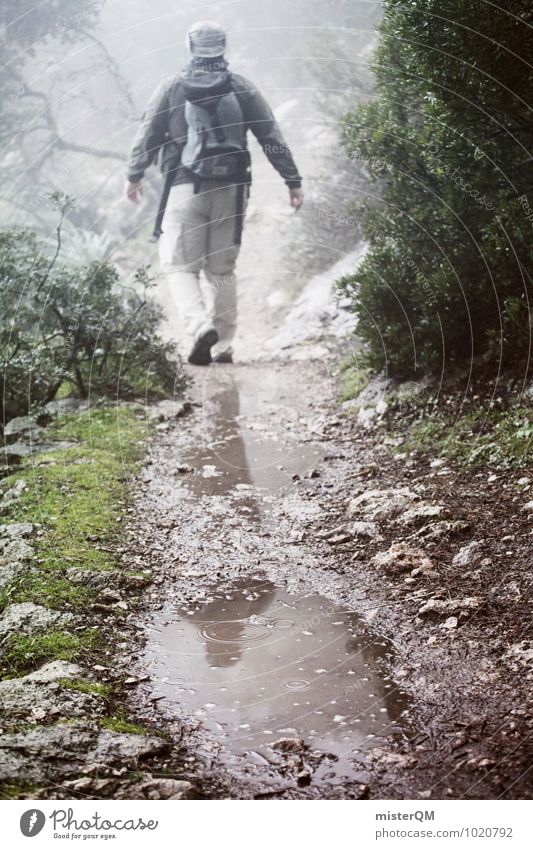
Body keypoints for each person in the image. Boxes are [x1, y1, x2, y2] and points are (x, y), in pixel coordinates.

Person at [126, 21, 304, 365]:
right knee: (222, 269)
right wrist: (292, 180)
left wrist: (134, 175)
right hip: (233, 190)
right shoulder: (241, 86)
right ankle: (223, 346)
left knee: (179, 266)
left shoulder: (172, 87)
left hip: (183, 188)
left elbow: (147, 134)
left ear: (190, 47)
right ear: (223, 48)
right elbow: (271, 137)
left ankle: (199, 328)